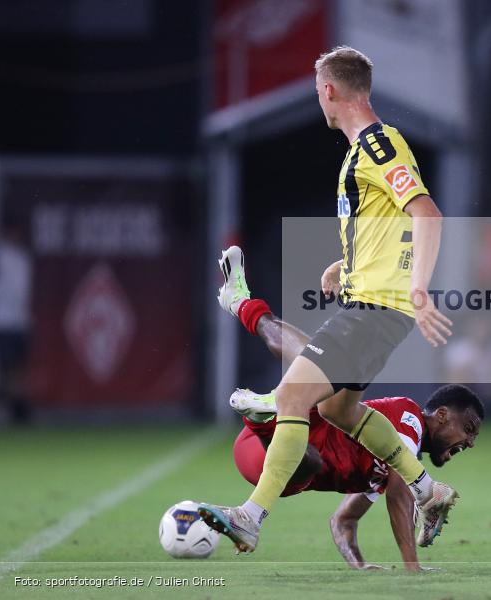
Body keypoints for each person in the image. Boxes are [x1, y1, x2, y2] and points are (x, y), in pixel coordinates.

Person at [199, 45, 455, 554]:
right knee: (340, 411)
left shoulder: (379, 144)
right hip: (371, 304)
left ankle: (251, 516)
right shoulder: (360, 153)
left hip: (375, 309)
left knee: (292, 399)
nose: (321, 102)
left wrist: (419, 287)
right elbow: (390, 221)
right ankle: (429, 490)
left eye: (320, 93)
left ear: (329, 90)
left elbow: (427, 214)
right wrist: (348, 265)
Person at [232, 384, 483, 571]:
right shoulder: (408, 417)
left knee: (307, 469)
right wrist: (412, 566)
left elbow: (343, 520)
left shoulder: (387, 468)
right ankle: (266, 418)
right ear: (441, 415)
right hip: (267, 448)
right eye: (468, 429)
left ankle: (260, 417)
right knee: (311, 461)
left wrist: (359, 565)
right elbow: (398, 495)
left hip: (281, 474)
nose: (470, 443)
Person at [0, 217, 33, 424]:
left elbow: (23, 293)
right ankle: (4, 408)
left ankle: (14, 410)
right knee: (4, 369)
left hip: (17, 322)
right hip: (2, 321)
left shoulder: (21, 259)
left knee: (16, 368)